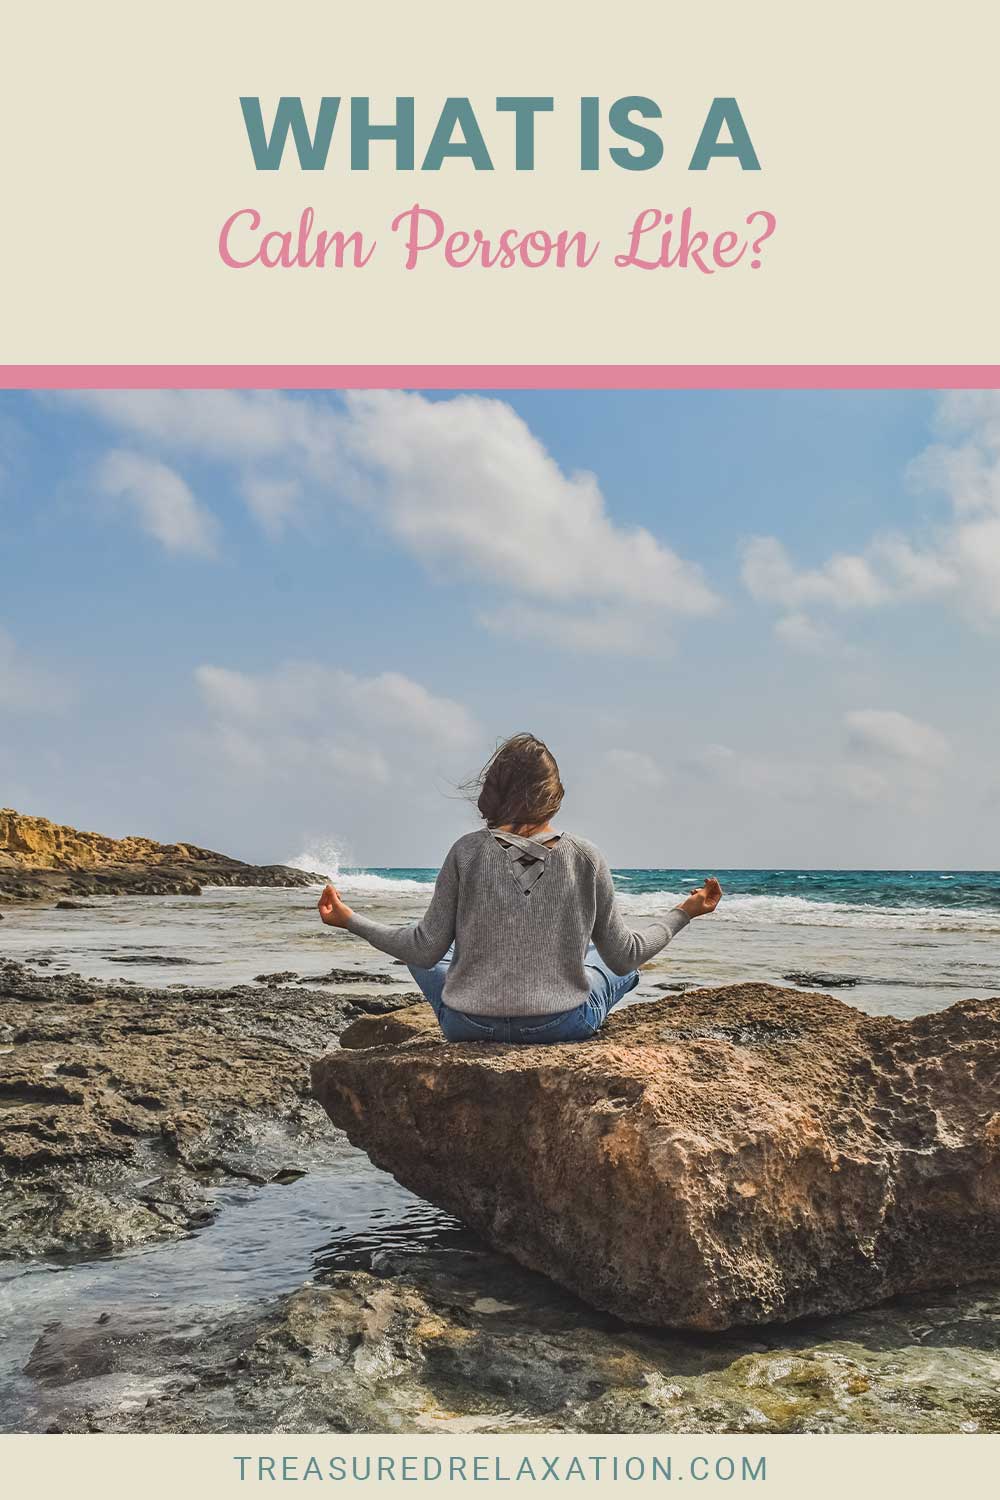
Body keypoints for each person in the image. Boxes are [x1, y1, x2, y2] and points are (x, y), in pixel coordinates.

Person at [317, 732, 722, 1043]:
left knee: (423, 944)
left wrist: (350, 919)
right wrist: (685, 911)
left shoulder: (466, 852)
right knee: (610, 962)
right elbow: (626, 955)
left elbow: (423, 949)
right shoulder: (585, 856)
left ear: (493, 789)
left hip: (467, 1026)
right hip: (560, 1025)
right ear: (554, 793)